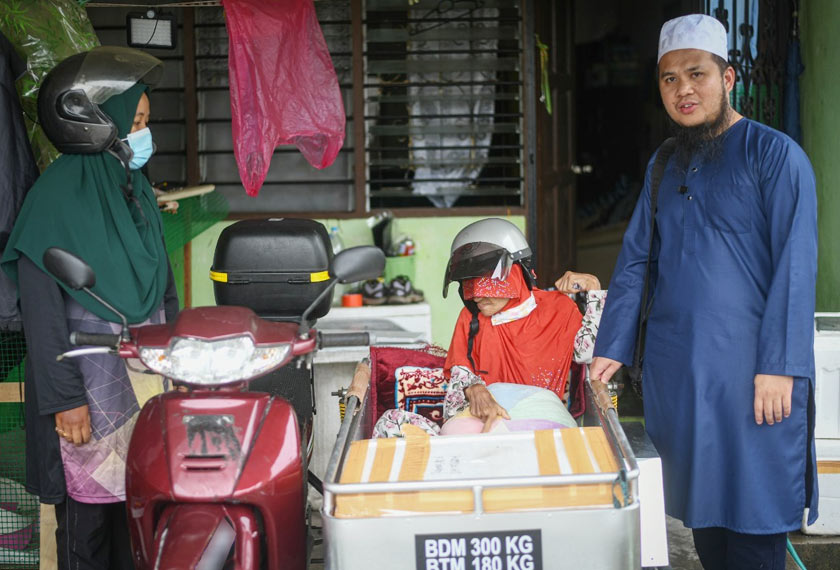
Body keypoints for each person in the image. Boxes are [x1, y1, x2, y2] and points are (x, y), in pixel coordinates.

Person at [590, 14, 818, 570]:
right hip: (684, 378)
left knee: (756, 523)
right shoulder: (664, 163)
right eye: (669, 79)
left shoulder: (775, 155)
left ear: (729, 76)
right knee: (705, 525)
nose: (683, 89)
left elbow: (795, 265)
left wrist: (781, 365)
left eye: (697, 74)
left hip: (754, 380)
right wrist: (611, 345)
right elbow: (637, 259)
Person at [1, 47, 178, 569]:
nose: (143, 133)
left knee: (143, 517)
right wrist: (63, 400)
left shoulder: (135, 190)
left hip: (146, 381)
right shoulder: (54, 199)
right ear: (98, 121)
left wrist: (178, 368)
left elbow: (163, 290)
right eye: (135, 121)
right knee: (89, 530)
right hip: (84, 392)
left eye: (144, 121)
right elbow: (41, 311)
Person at [359, 218, 606, 437]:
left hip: (535, 422)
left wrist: (594, 289)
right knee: (390, 421)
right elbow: (459, 376)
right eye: (469, 282)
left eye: (486, 281)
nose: (476, 294)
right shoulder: (471, 317)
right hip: (473, 424)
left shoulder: (558, 309)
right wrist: (474, 388)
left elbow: (589, 354)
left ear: (518, 272)